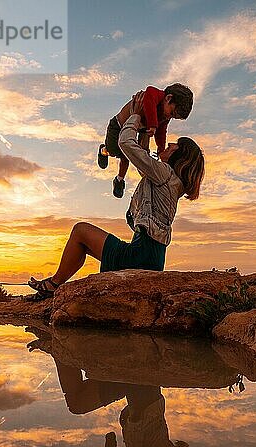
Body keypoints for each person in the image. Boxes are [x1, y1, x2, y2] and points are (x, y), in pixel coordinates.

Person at [27, 91, 204, 301]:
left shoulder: (163, 174)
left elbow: (126, 144)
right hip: (152, 259)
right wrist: (148, 130)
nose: (166, 146)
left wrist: (136, 115)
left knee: (80, 231)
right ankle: (54, 285)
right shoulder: (171, 181)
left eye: (172, 146)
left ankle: (54, 284)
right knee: (84, 239)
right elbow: (142, 158)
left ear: (178, 156)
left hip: (138, 256)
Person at [98, 83, 193, 198]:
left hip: (139, 129)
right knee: (113, 151)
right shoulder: (156, 95)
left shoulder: (164, 116)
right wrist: (153, 125)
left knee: (127, 156)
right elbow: (149, 96)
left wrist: (160, 148)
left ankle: (119, 180)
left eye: (173, 117)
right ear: (168, 98)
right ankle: (104, 150)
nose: (169, 117)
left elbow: (162, 131)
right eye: (172, 113)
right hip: (118, 126)